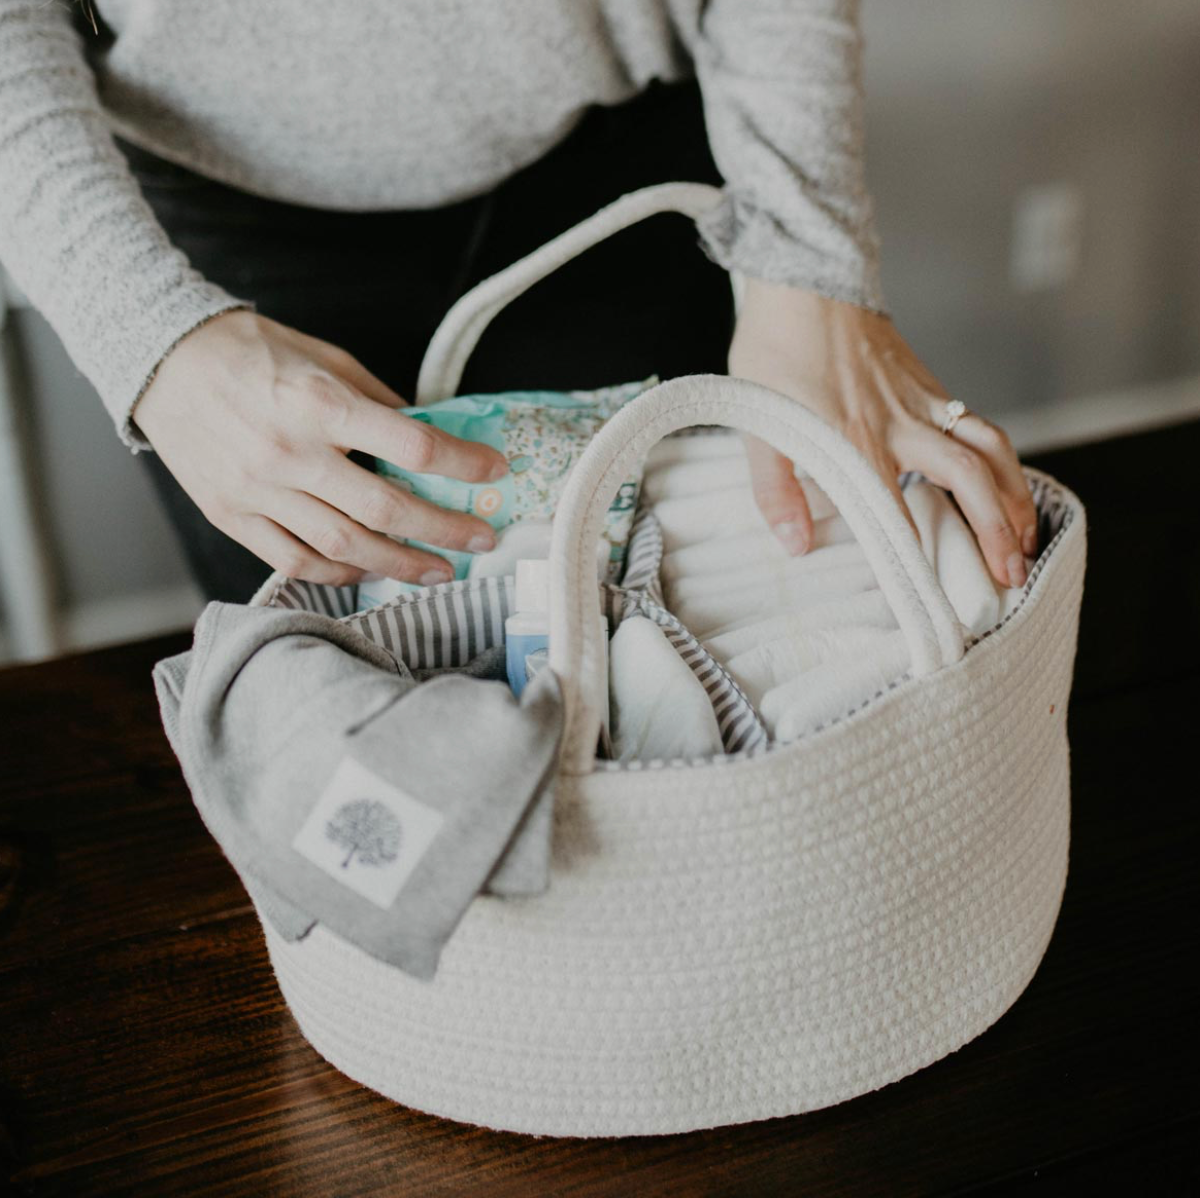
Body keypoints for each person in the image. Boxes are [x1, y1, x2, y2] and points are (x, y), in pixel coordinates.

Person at [0, 0, 1038, 605]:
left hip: (623, 164)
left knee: (695, 622)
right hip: (218, 265)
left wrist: (811, 262)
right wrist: (151, 341)